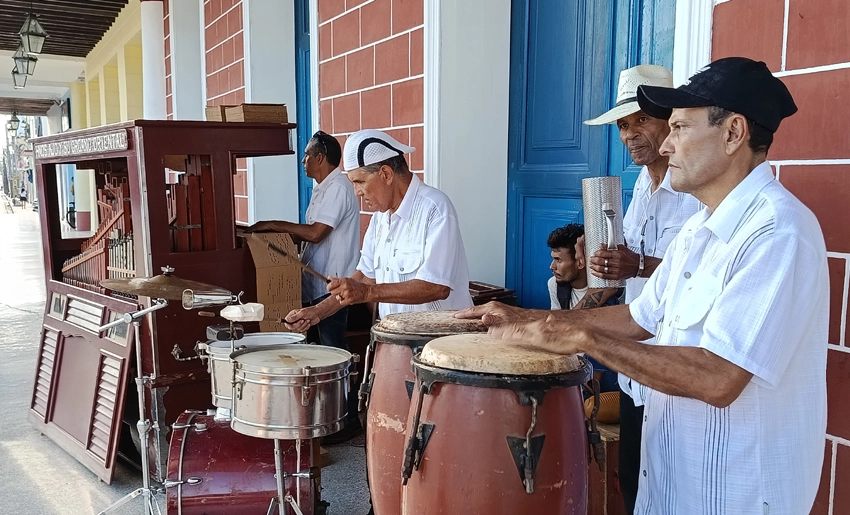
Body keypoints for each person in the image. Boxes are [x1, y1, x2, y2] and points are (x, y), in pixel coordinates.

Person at [460, 56, 827, 515]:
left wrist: (581, 335)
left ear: (733, 133)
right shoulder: (700, 227)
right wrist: (536, 318)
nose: (666, 145)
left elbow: (719, 378)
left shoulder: (778, 233)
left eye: (680, 128)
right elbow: (640, 314)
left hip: (735, 494)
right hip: (671, 482)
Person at [284, 128, 473, 447]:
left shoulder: (434, 208)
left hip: (441, 354)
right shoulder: (380, 219)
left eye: (359, 182)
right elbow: (363, 278)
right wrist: (317, 312)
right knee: (395, 438)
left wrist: (367, 294)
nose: (356, 192)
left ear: (385, 173)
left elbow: (436, 287)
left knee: (437, 443)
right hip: (397, 350)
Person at [582, 64, 702, 514]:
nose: (630, 135)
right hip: (637, 363)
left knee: (678, 490)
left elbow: (695, 268)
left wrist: (638, 264)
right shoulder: (641, 185)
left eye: (641, 121)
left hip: (676, 364)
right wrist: (598, 255)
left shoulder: (693, 187)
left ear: (670, 122)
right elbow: (629, 252)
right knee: (634, 482)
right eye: (623, 126)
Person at [246, 131, 359, 352]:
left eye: (307, 155)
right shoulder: (322, 188)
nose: (302, 160)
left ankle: (341, 388)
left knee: (331, 352)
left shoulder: (338, 187)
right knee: (313, 351)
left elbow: (316, 233)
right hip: (314, 286)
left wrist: (271, 224)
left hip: (332, 288)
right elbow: (306, 235)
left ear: (320, 158)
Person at [547, 223, 620, 396]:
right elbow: (558, 332)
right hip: (571, 362)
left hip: (604, 372)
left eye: (558, 260)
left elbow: (605, 351)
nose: (552, 266)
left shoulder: (610, 294)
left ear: (580, 262)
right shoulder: (555, 286)